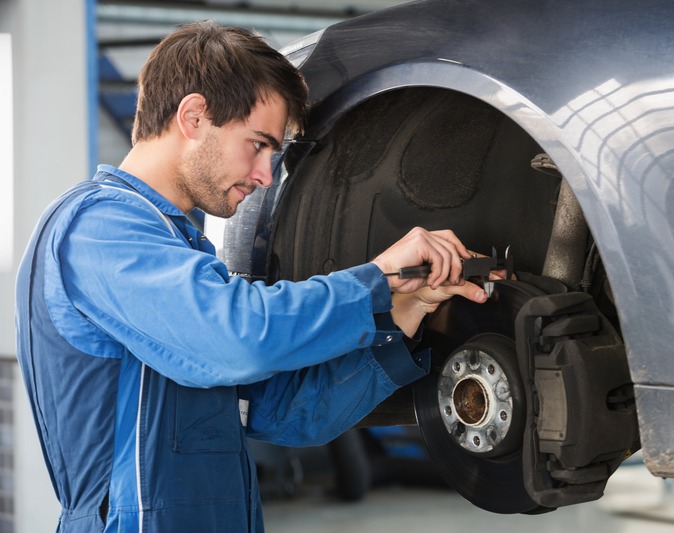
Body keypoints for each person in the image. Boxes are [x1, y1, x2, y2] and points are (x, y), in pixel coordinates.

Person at [15, 20, 488, 533]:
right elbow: (236, 337)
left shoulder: (180, 250)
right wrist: (375, 279)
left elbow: (287, 414)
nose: (266, 175)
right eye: (258, 144)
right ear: (194, 116)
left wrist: (405, 309)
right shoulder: (99, 228)